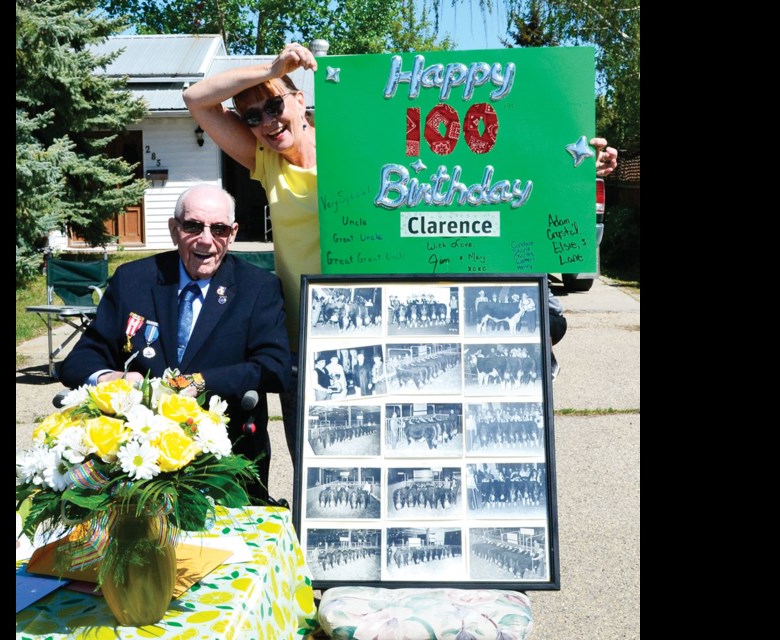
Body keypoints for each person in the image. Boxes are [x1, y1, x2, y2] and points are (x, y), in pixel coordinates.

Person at [183, 43, 619, 453]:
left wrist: (574, 165)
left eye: (275, 104)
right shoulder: (266, 163)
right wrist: (269, 72)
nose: (266, 122)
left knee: (390, 454)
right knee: (315, 461)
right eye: (252, 116)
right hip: (308, 336)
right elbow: (196, 99)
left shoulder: (361, 148)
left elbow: (490, 166)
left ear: (300, 101)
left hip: (385, 330)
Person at [59, 183, 292, 503]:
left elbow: (275, 368)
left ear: (233, 233)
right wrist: (110, 378)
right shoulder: (134, 280)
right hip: (136, 462)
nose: (206, 240)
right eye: (193, 226)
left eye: (219, 229)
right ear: (174, 228)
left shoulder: (258, 288)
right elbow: (81, 359)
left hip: (226, 460)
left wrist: (201, 382)